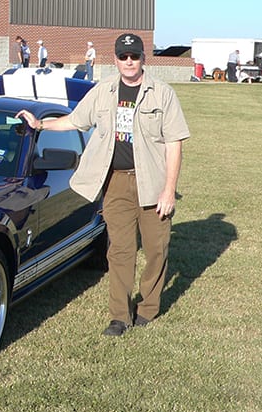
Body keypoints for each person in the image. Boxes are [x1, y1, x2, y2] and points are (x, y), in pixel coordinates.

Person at [16, 33, 190, 337]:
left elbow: (174, 143)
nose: (129, 62)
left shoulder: (162, 94)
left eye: (134, 56)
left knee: (156, 249)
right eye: (123, 57)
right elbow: (75, 121)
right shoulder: (104, 91)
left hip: (153, 182)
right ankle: (119, 317)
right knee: (120, 251)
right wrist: (40, 124)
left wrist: (168, 190)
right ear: (115, 59)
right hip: (116, 183)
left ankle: (148, 307)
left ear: (142, 59)